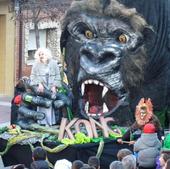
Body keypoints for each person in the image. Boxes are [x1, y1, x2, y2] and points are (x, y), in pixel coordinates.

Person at [30, 47, 62, 126]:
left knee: (50, 104)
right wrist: (39, 84)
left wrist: (54, 86)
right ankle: (42, 122)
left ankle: (50, 122)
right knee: (42, 104)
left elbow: (58, 76)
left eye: (43, 54)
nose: (41, 56)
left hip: (51, 86)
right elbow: (32, 76)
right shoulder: (36, 64)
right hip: (42, 88)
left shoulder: (54, 63)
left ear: (47, 54)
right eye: (39, 54)